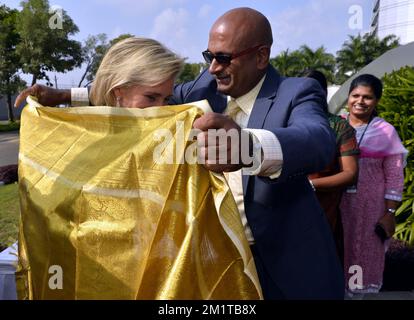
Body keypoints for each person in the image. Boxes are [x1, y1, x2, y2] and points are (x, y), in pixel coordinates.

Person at [15, 7, 344, 299]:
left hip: (283, 268)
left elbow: (317, 141)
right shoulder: (201, 93)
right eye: (209, 56)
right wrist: (63, 93)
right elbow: (133, 89)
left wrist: (249, 147)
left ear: (260, 56)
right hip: (217, 268)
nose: (213, 68)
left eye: (224, 58)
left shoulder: (297, 92)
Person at [340, 74, 408, 295]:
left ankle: (356, 293)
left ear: (377, 101)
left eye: (367, 97)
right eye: (355, 95)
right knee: (338, 249)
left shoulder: (385, 131)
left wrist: (389, 211)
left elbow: (395, 175)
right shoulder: (335, 125)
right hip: (338, 204)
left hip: (371, 208)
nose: (360, 101)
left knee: (361, 252)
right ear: (348, 97)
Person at [305, 70, 359, 265]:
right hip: (286, 207)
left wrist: (310, 185)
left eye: (314, 90)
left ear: (323, 93)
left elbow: (350, 174)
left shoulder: (339, 127)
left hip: (324, 208)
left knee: (321, 264)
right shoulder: (285, 123)